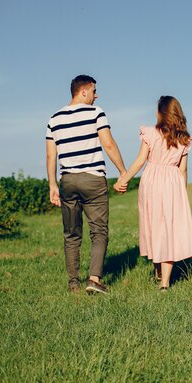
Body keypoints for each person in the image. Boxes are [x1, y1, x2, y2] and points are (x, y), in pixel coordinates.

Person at [46, 74, 127, 294]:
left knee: (71, 233)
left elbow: (51, 157)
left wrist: (53, 185)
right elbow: (108, 144)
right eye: (94, 91)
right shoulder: (96, 112)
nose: (96, 95)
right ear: (83, 91)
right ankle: (94, 279)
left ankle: (74, 283)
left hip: (68, 181)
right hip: (93, 180)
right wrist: (123, 172)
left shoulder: (54, 118)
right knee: (98, 231)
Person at [114, 95, 192, 291]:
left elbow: (141, 160)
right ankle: (164, 281)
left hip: (152, 181)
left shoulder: (150, 133)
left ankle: (160, 275)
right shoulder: (184, 139)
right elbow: (182, 169)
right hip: (173, 184)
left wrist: (123, 179)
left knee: (154, 226)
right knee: (168, 229)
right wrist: (182, 193)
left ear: (161, 112)